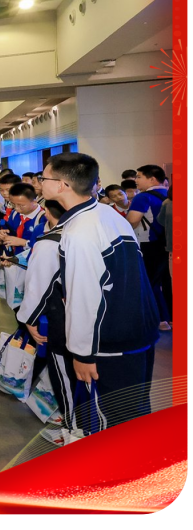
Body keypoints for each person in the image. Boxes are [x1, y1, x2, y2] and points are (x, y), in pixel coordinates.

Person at [40, 153, 159, 433]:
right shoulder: (106, 214)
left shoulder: (79, 232)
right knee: (135, 412)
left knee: (111, 421)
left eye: (43, 178)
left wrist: (82, 353)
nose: (39, 182)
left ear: (62, 185)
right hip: (138, 328)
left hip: (110, 340)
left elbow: (84, 297)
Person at [17, 200, 79, 436]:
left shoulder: (49, 243)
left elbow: (37, 286)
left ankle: (73, 431)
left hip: (61, 319)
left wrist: (29, 319)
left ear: (47, 213)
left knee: (65, 375)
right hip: (92, 320)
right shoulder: (89, 235)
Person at [126, 165, 171, 331]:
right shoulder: (170, 195)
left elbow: (132, 221)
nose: (136, 180)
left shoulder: (142, 197)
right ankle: (170, 317)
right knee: (166, 281)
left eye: (139, 177)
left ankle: (159, 319)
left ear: (152, 179)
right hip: (168, 243)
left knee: (150, 282)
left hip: (149, 243)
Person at [0, 183, 48, 311]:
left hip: (31, 267)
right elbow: (10, 234)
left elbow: (45, 246)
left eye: (21, 205)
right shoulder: (15, 214)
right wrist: (3, 234)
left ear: (34, 200)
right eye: (13, 204)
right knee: (16, 302)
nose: (17, 208)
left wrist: (23, 242)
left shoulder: (43, 218)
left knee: (30, 303)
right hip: (14, 264)